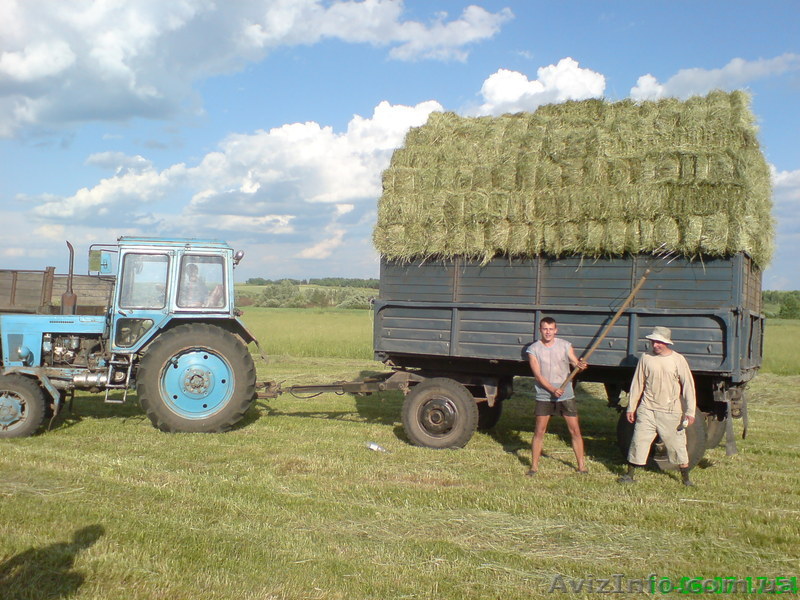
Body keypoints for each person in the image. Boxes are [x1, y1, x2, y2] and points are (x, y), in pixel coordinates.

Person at [618, 326, 697, 486]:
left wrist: (690, 411)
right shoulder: (645, 358)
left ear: (667, 343)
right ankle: (629, 475)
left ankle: (686, 479)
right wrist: (631, 407)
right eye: (653, 342)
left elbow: (688, 385)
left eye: (659, 342)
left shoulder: (678, 360)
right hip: (647, 409)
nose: (655, 345)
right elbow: (638, 383)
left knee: (677, 446)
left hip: (670, 411)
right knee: (638, 442)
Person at [526, 317, 588, 476]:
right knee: (540, 431)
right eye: (545, 329)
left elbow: (575, 363)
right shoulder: (533, 349)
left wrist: (580, 366)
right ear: (540, 330)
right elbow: (538, 376)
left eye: (551, 329)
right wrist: (552, 389)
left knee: (575, 431)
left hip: (566, 394)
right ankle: (534, 467)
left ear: (556, 330)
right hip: (544, 395)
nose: (548, 332)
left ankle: (582, 467)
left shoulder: (565, 345)